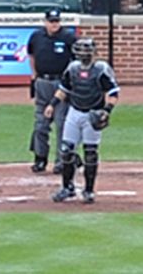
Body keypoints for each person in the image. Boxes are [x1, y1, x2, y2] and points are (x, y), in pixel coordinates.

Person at [43, 36, 120, 204]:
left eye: (87, 51)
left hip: (93, 113)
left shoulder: (101, 70)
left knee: (90, 153)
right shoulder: (72, 69)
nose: (84, 55)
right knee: (66, 150)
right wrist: (52, 104)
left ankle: (89, 190)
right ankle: (67, 187)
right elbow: (64, 89)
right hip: (74, 112)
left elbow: (113, 93)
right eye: (81, 51)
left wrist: (106, 111)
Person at [25, 9, 79, 171]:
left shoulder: (68, 37)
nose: (54, 24)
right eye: (51, 21)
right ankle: (40, 158)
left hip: (61, 83)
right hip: (42, 82)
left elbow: (77, 60)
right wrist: (34, 77)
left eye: (56, 21)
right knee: (40, 124)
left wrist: (69, 82)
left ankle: (62, 160)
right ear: (45, 22)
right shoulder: (37, 36)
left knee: (61, 122)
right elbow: (32, 56)